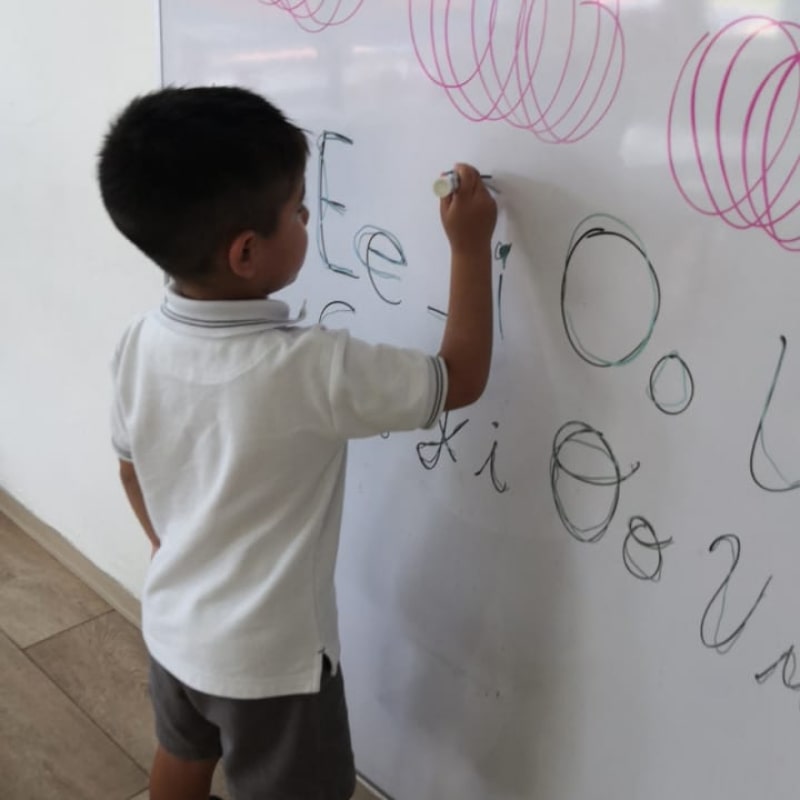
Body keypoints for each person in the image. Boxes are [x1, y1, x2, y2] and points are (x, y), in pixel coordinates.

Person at [98, 86, 497, 800]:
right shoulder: (310, 367)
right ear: (248, 252)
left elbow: (129, 465)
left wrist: (177, 548)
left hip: (174, 627)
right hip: (274, 671)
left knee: (180, 756)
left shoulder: (138, 339)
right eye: (298, 210)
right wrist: (469, 247)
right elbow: (460, 377)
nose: (309, 217)